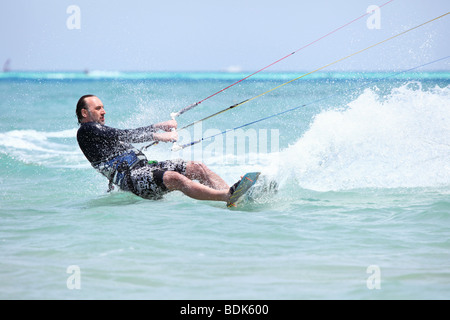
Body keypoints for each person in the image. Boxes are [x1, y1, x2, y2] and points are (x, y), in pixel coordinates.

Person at [76, 95, 235, 203]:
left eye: (103, 107)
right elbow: (125, 135)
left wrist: (158, 126)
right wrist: (158, 135)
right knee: (175, 178)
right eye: (98, 108)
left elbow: (128, 134)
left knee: (198, 168)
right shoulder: (86, 130)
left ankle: (234, 193)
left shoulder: (99, 131)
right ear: (85, 112)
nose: (103, 111)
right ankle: (226, 196)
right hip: (131, 179)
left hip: (145, 168)